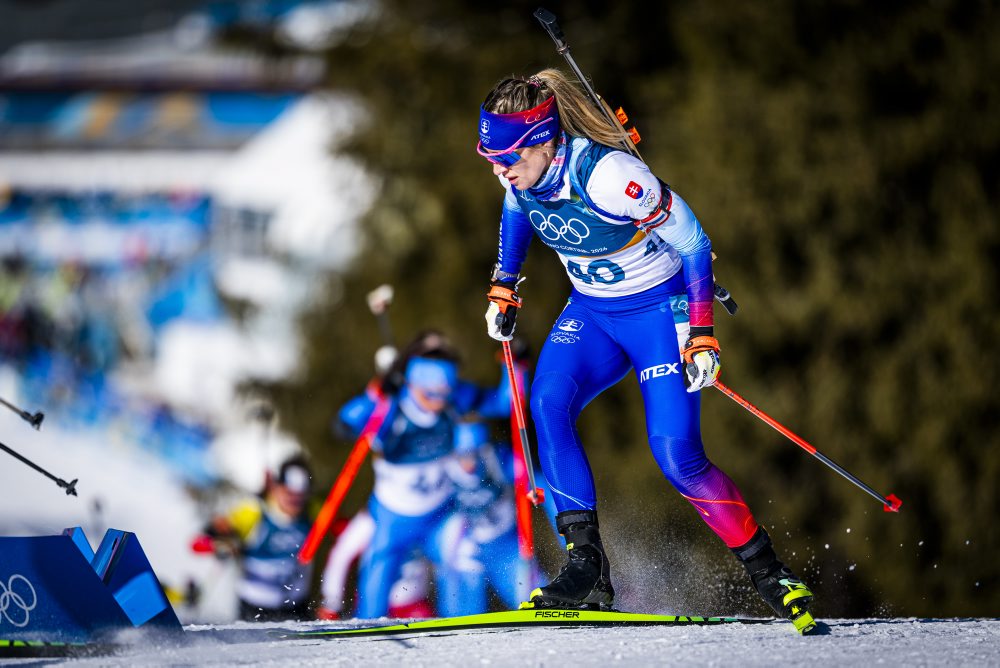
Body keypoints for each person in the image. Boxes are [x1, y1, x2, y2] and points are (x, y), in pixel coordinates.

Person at [476, 69, 814, 629]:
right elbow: (517, 212)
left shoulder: (611, 175)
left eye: (506, 154)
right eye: (489, 154)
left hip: (661, 313)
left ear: (541, 138)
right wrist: (504, 284)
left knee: (677, 457)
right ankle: (586, 566)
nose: (498, 167)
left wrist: (702, 331)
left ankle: (771, 574)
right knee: (547, 404)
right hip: (593, 311)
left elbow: (695, 242)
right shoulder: (517, 171)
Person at [340, 330, 516, 618]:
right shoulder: (392, 406)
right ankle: (365, 626)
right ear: (413, 380)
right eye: (431, 394)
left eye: (443, 393)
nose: (439, 401)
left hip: (440, 513)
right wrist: (376, 393)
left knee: (464, 556)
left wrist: (513, 365)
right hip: (393, 517)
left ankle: (463, 625)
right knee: (378, 572)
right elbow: (346, 424)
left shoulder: (455, 396)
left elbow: (504, 403)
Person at [195, 455, 315, 621]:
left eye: (300, 495)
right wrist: (219, 539)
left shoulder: (315, 512)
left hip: (297, 607)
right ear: (275, 487)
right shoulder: (253, 512)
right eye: (288, 493)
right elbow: (199, 543)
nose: (294, 501)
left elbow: (343, 529)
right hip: (256, 608)